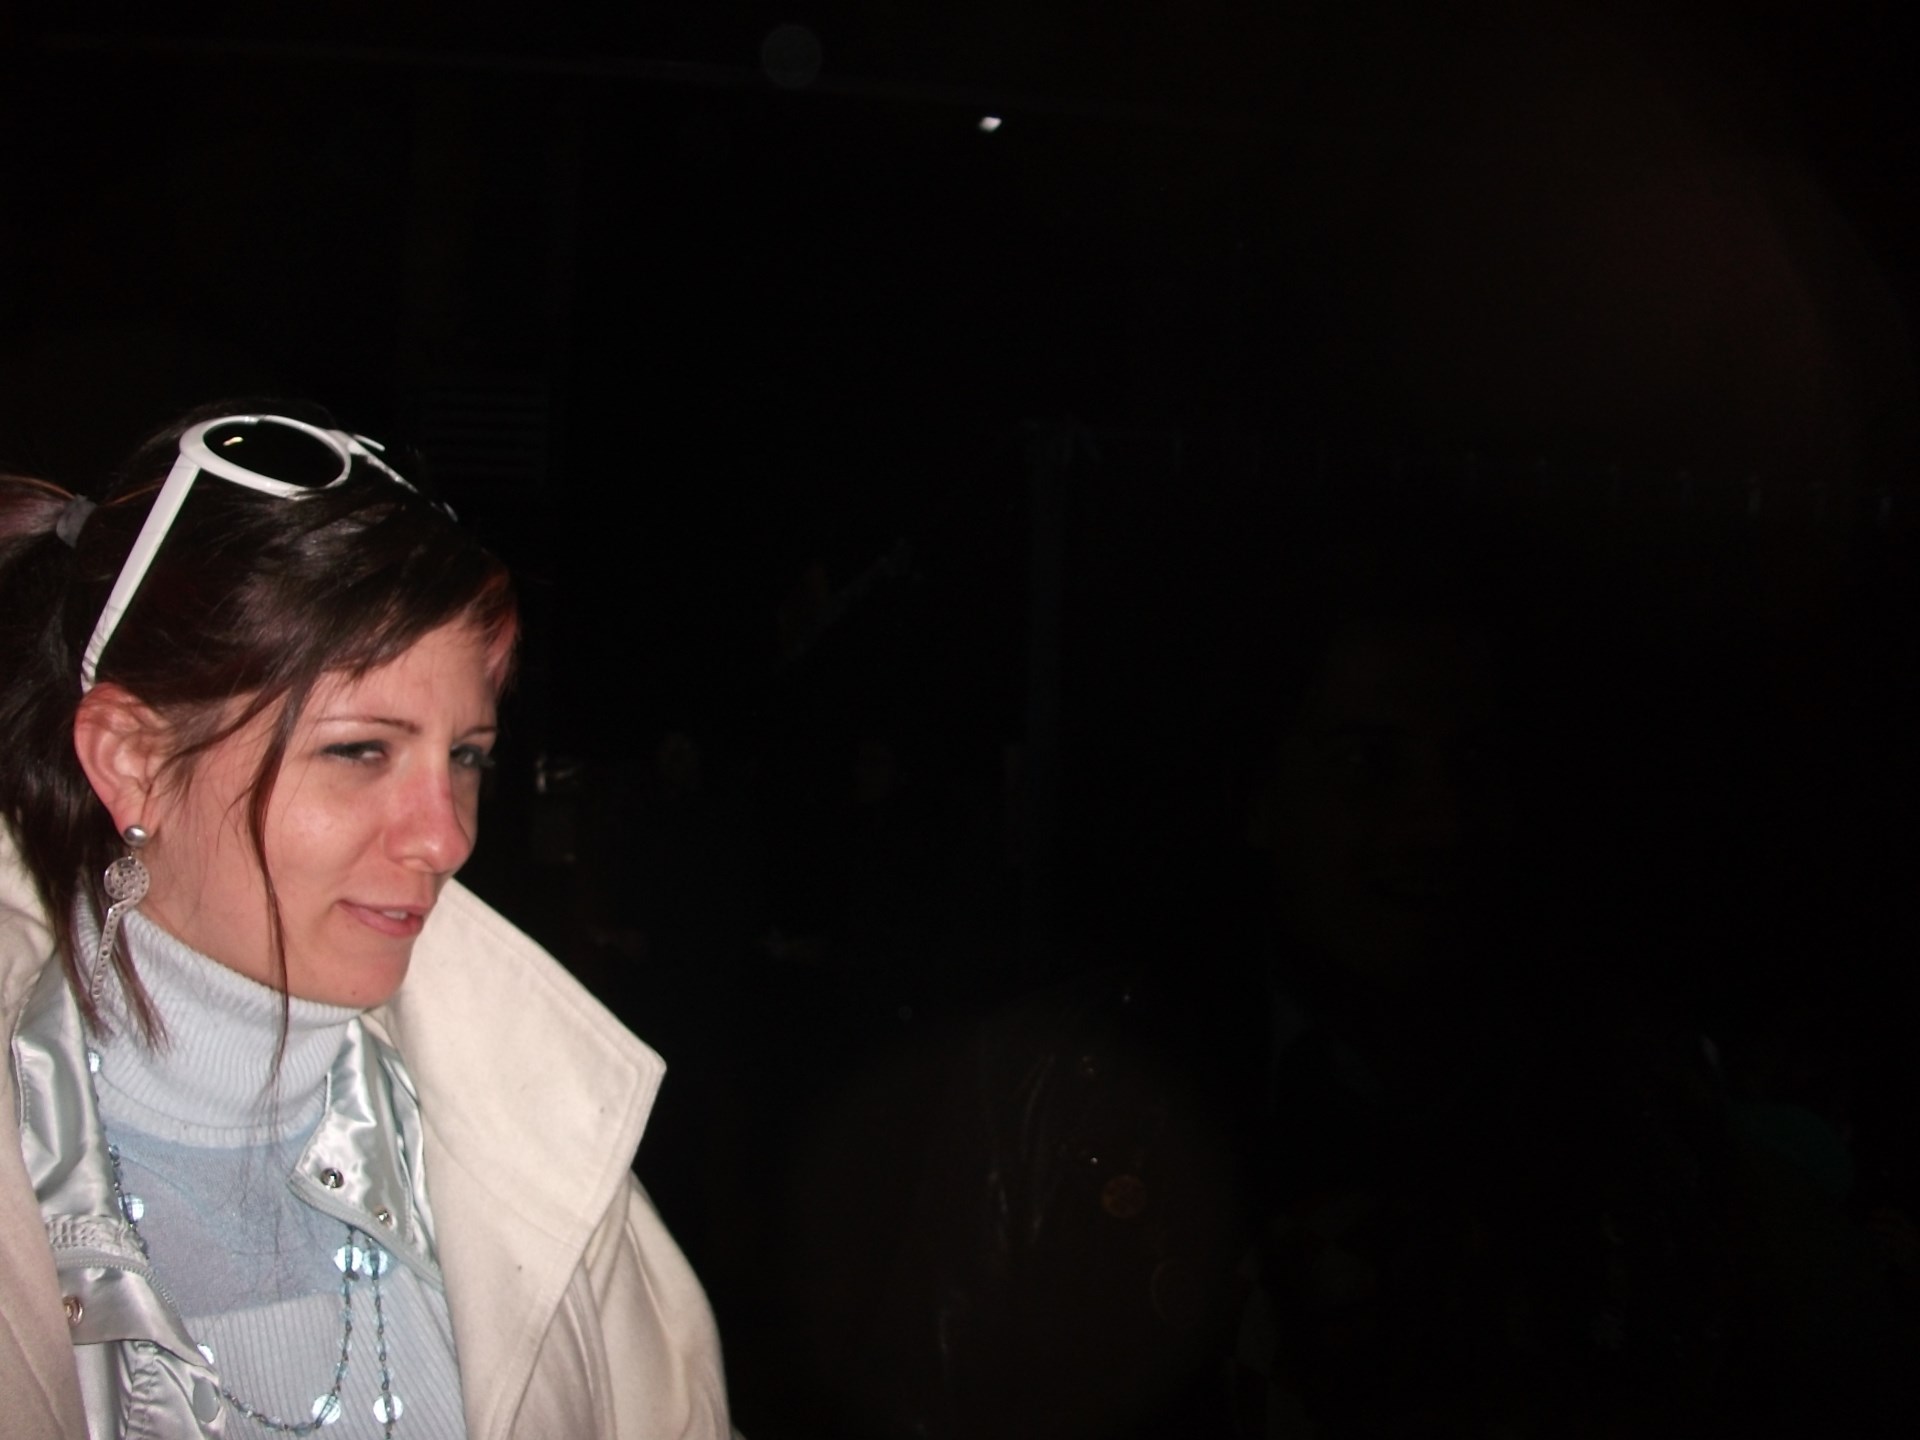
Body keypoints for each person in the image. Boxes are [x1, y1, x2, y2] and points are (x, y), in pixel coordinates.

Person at [0, 406, 735, 1438]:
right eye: (360, 751)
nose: (446, 837)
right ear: (132, 757)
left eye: (465, 756)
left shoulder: (540, 1137)